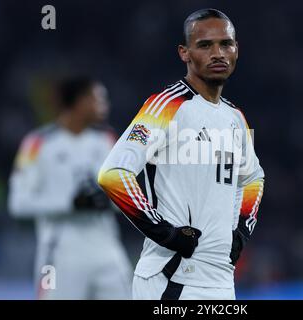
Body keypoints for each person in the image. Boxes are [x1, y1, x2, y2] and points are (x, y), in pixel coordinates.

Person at [98, 8, 264, 300]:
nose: (218, 53)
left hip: (221, 280)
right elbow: (113, 174)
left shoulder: (235, 117)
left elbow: (253, 178)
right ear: (184, 53)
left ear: (237, 49)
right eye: (205, 45)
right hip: (172, 279)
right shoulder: (166, 106)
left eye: (226, 44)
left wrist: (241, 231)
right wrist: (167, 234)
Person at [8, 76, 133, 299]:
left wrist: (110, 200)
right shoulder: (37, 144)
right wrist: (70, 203)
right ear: (80, 102)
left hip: (106, 249)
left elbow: (127, 196)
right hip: (58, 254)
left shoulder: (107, 140)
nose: (105, 105)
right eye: (98, 99)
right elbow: (18, 203)